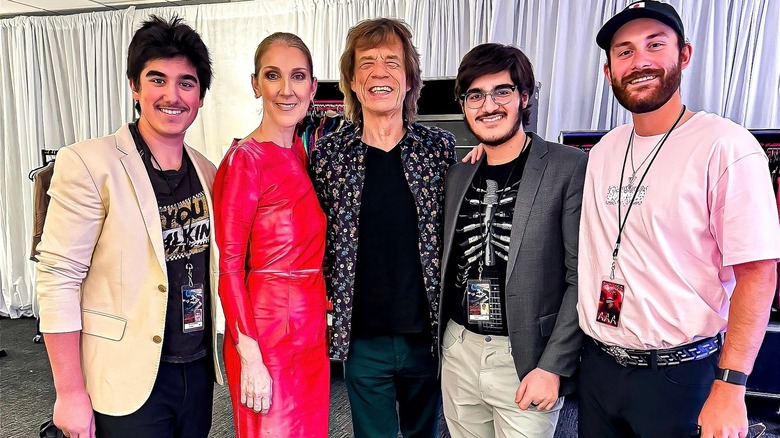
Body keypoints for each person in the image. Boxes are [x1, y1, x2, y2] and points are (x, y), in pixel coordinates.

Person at [578, 1, 780, 437]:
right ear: (608, 70)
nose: (640, 61)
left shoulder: (725, 146)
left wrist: (731, 387)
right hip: (598, 368)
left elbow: (759, 273)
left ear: (683, 55)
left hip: (681, 375)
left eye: (655, 45)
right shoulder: (603, 151)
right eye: (625, 51)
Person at [36, 15, 221, 438]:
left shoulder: (208, 172)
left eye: (186, 83)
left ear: (201, 96)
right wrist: (69, 392)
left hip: (196, 369)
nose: (172, 95)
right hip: (123, 377)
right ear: (135, 87)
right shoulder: (89, 163)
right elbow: (58, 278)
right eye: (157, 80)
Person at [310, 18, 456, 438]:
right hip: (362, 337)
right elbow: (315, 236)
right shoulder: (329, 154)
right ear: (353, 81)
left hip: (426, 335)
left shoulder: (438, 148)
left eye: (392, 62)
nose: (379, 72)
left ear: (409, 79)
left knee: (422, 433)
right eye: (367, 62)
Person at [439, 43, 586, 438]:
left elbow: (581, 277)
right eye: (475, 95)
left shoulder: (567, 167)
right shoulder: (457, 176)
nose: (488, 106)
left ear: (524, 96)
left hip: (524, 359)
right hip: (460, 348)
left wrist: (553, 365)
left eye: (501, 91)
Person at [213, 32, 329, 437]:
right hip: (265, 334)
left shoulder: (299, 152)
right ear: (255, 84)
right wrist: (250, 355)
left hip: (310, 332)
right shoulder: (245, 159)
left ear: (312, 87)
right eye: (272, 75)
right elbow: (227, 267)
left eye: (297, 77)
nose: (286, 89)